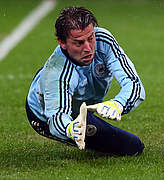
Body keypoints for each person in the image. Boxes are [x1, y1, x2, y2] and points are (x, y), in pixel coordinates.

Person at [25, 6, 145, 156]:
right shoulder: (56, 74)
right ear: (62, 43)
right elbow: (56, 119)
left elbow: (134, 83)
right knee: (132, 147)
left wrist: (118, 104)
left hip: (74, 100)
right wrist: (71, 128)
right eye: (79, 43)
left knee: (134, 147)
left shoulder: (103, 41)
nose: (88, 48)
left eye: (90, 38)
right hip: (43, 114)